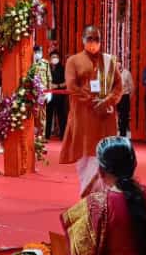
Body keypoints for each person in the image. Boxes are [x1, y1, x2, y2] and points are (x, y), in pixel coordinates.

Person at [60, 26, 123, 195]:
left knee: (104, 154)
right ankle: (87, 194)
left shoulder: (109, 61)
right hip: (83, 117)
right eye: (90, 39)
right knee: (84, 155)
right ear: (83, 40)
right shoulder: (73, 61)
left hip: (105, 118)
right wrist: (92, 101)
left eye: (97, 39)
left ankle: (102, 195)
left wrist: (106, 102)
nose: (93, 43)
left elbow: (118, 87)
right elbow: (72, 86)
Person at [46, 49, 68, 140]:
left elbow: (66, 82)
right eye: (53, 57)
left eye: (56, 57)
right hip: (49, 95)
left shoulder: (63, 69)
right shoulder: (47, 69)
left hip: (60, 95)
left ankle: (63, 135)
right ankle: (46, 136)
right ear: (50, 58)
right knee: (48, 115)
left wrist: (57, 86)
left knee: (61, 116)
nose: (55, 58)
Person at [32, 44, 52, 137]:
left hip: (43, 92)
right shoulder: (30, 62)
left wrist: (49, 92)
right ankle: (34, 134)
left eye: (40, 52)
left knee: (42, 113)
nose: (38, 53)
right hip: (32, 91)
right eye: (36, 52)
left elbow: (49, 78)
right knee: (33, 113)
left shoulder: (45, 63)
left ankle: (41, 135)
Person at [118, 65, 133, 138]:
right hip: (115, 97)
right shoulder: (112, 72)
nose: (117, 65)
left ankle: (123, 134)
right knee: (116, 116)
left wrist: (128, 98)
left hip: (124, 96)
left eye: (119, 63)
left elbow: (131, 87)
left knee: (124, 116)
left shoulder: (127, 73)